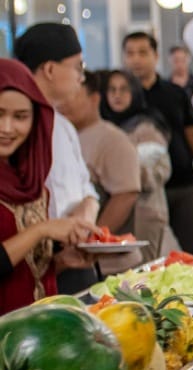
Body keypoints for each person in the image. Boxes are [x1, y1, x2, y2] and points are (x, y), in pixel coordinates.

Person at [0, 59, 96, 313]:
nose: (7, 128)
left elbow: (24, 263)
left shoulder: (31, 179)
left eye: (20, 117)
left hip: (40, 328)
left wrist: (61, 260)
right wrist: (42, 229)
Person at [15, 23, 102, 293]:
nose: (81, 77)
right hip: (32, 264)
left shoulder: (63, 125)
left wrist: (87, 210)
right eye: (78, 67)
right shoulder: (17, 130)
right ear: (50, 69)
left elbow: (86, 186)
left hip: (76, 256)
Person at [123, 31, 193, 254]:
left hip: (182, 185)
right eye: (130, 53)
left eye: (143, 52)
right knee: (141, 257)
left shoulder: (174, 93)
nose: (136, 59)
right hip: (140, 192)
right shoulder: (119, 98)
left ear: (155, 55)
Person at [60, 71, 142, 273]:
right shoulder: (64, 135)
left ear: (94, 99)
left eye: (72, 96)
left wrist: (92, 239)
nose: (63, 104)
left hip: (111, 265)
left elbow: (126, 195)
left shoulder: (113, 139)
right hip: (73, 260)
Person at [101, 70, 179, 262]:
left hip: (144, 213)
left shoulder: (147, 126)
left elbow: (159, 171)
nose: (117, 95)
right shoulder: (104, 126)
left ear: (134, 93)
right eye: (112, 90)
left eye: (123, 90)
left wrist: (126, 171)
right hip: (114, 214)